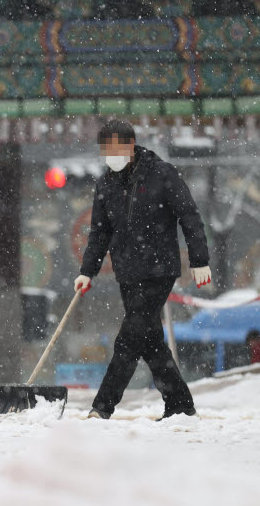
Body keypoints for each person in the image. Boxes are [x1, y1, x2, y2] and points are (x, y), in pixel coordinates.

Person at [75, 119, 212, 421]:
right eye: (104, 150)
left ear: (130, 145)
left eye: (113, 148)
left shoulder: (162, 175)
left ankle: (102, 406)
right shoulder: (106, 184)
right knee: (149, 341)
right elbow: (99, 232)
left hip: (159, 269)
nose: (109, 155)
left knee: (128, 338)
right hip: (127, 270)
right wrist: (88, 270)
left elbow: (189, 216)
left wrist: (199, 260)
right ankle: (179, 404)